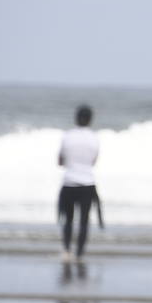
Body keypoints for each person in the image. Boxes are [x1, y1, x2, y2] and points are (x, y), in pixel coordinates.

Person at [57, 104, 102, 261]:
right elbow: (94, 161)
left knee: (68, 220)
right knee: (84, 221)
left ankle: (67, 250)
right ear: (90, 119)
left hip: (69, 182)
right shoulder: (94, 138)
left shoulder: (67, 136)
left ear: (76, 118)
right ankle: (80, 253)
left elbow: (60, 161)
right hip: (87, 184)